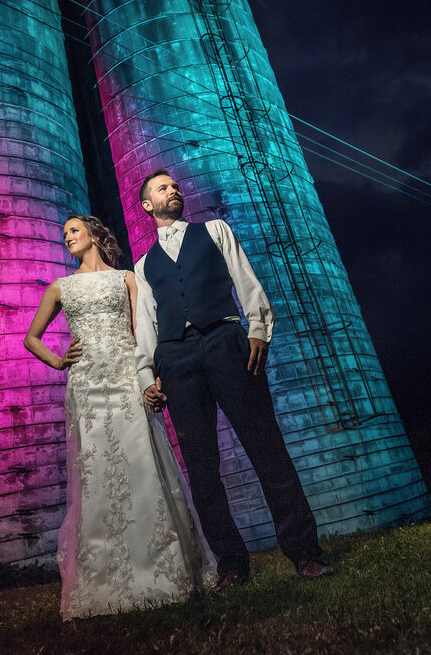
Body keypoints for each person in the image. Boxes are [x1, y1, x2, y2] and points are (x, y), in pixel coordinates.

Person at [134, 169, 331, 589]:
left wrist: (258, 327)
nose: (174, 190)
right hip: (176, 360)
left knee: (267, 447)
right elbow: (145, 324)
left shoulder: (216, 230)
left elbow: (245, 278)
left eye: (174, 185)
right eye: (162, 188)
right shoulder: (142, 264)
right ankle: (231, 566)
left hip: (225, 341)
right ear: (148, 205)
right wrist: (147, 374)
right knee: (202, 469)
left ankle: (305, 553)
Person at [24, 213, 214, 619]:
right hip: (88, 385)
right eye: (64, 234)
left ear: (93, 235)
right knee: (97, 471)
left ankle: (166, 568)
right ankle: (106, 576)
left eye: (73, 231)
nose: (67, 238)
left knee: (142, 462)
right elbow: (31, 338)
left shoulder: (127, 277)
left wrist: (151, 374)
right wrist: (59, 362)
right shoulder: (61, 287)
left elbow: (143, 329)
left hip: (127, 376)